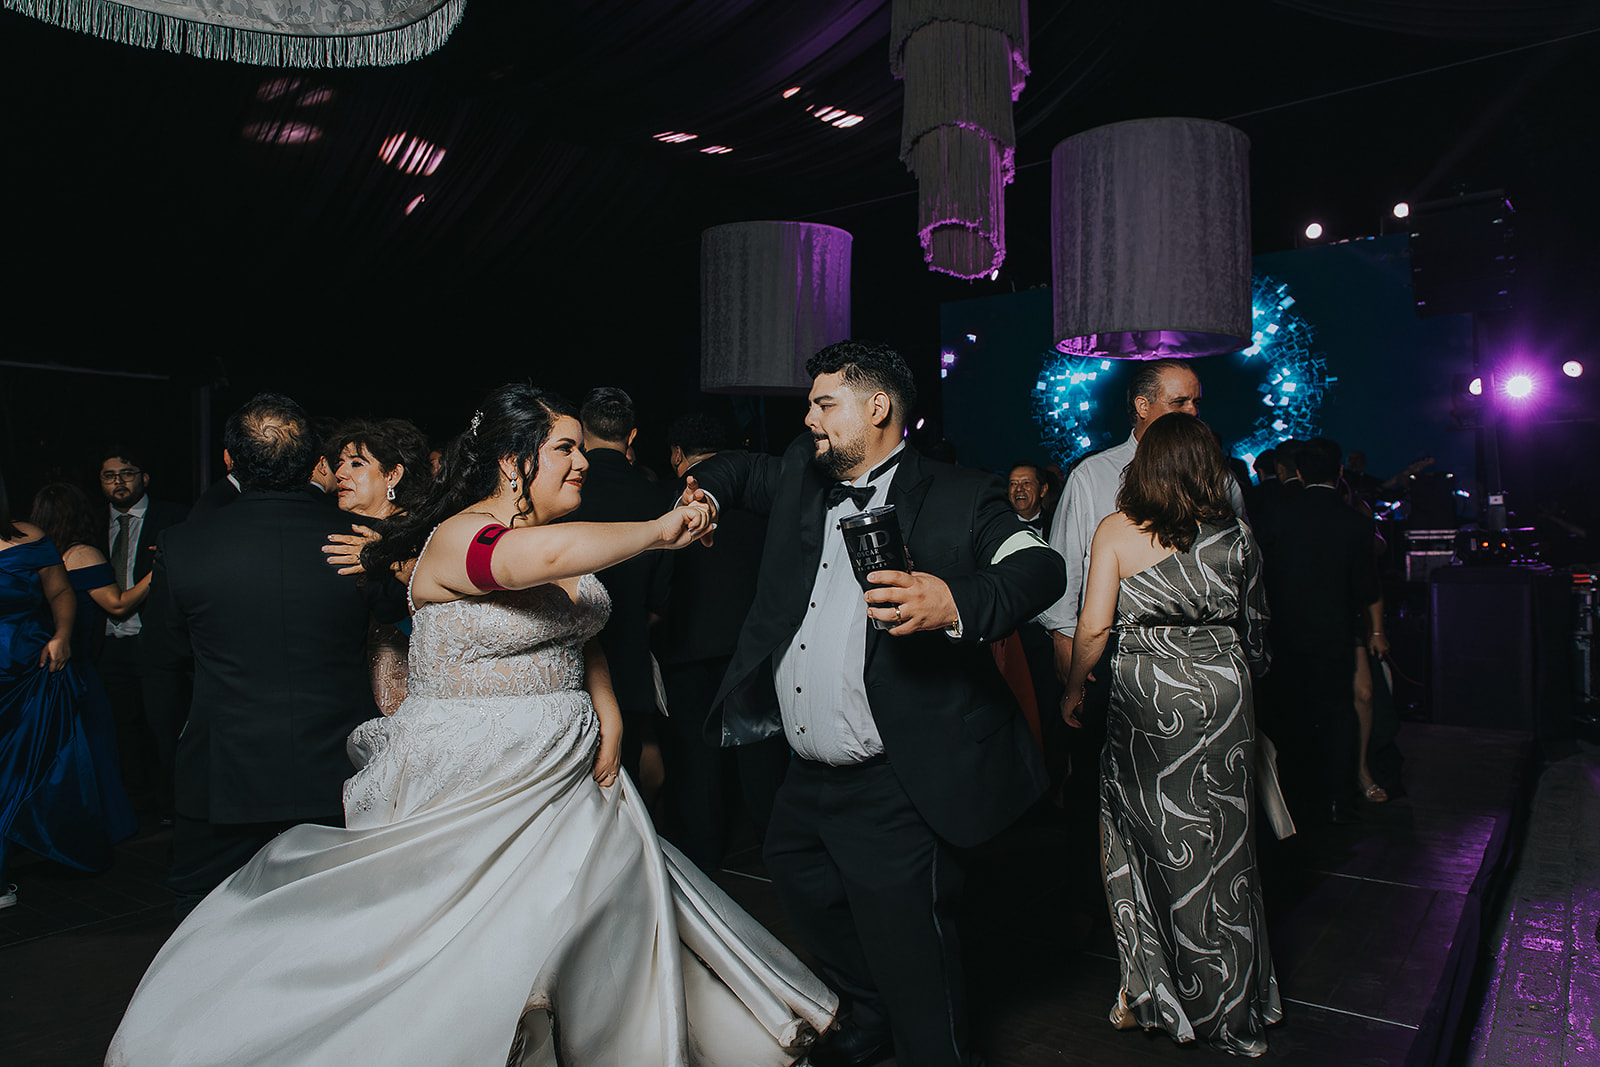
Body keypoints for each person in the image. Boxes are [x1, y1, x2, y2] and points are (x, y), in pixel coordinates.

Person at [106, 384, 836, 1066]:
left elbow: (575, 627)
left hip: (566, 774)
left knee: (590, 931)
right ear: (512, 461)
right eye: (564, 447)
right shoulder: (462, 537)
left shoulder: (555, 534)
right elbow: (523, 565)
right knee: (468, 947)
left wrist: (608, 709)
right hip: (475, 775)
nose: (582, 461)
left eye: (580, 446)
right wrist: (659, 528)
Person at [685, 340, 1065, 1067]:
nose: (809, 419)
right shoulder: (802, 473)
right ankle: (869, 1013)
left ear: (878, 407)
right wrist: (702, 492)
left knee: (910, 947)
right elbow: (733, 468)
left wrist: (954, 599)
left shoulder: (961, 493)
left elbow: (1040, 567)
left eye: (824, 404)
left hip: (895, 774)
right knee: (800, 882)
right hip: (806, 777)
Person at [1060, 412, 1279, 1055]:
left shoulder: (1116, 530)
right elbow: (1258, 630)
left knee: (1145, 836)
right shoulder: (1238, 534)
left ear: (1144, 468)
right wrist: (1235, 677)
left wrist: (1073, 690)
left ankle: (1155, 990)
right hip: (1226, 694)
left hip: (1148, 697)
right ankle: (1235, 1005)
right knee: (1227, 845)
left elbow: (1093, 627)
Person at [153, 395, 411, 917]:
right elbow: (399, 613)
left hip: (224, 774)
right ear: (316, 462)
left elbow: (163, 665)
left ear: (231, 461)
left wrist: (171, 762)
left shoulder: (183, 545)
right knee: (341, 917)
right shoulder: (357, 541)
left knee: (205, 918)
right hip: (336, 769)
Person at [655, 412, 786, 872]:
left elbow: (660, 584)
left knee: (696, 763)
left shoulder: (672, 500)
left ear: (678, 454)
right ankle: (778, 857)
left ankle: (702, 865)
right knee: (762, 756)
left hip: (687, 651)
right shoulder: (759, 501)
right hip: (749, 649)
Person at [1, 472, 135, 910]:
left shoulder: (29, 536)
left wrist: (61, 635)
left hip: (30, 667)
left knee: (30, 763)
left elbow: (60, 591)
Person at [1254, 437, 1380, 824]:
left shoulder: (1275, 518)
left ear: (1300, 473)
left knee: (1292, 711)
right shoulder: (1357, 524)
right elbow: (1366, 588)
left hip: (1286, 632)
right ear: (1339, 472)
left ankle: (1296, 797)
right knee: (1338, 712)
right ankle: (1337, 797)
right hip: (1335, 632)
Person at [562, 387, 667, 801]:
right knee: (625, 790)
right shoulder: (657, 498)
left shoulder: (566, 497)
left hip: (566, 665)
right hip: (630, 658)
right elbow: (662, 598)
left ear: (583, 434)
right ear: (632, 435)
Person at [94, 446, 189, 820]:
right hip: (106, 646)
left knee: (164, 728)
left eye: (127, 473)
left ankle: (173, 807)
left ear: (144, 478)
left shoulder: (173, 518)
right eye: (110, 476)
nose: (119, 482)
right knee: (120, 731)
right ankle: (134, 807)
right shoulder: (90, 524)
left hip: (156, 644)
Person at [327, 417, 433, 716]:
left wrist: (386, 558)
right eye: (339, 464)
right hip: (352, 689)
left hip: (406, 688)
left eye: (356, 464)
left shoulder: (420, 533)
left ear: (392, 475)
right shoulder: (345, 532)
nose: (340, 473)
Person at [1006, 461, 1051, 535]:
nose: (1019, 489)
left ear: (1043, 490)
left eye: (1026, 483)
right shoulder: (998, 525)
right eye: (1013, 483)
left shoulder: (1056, 523)